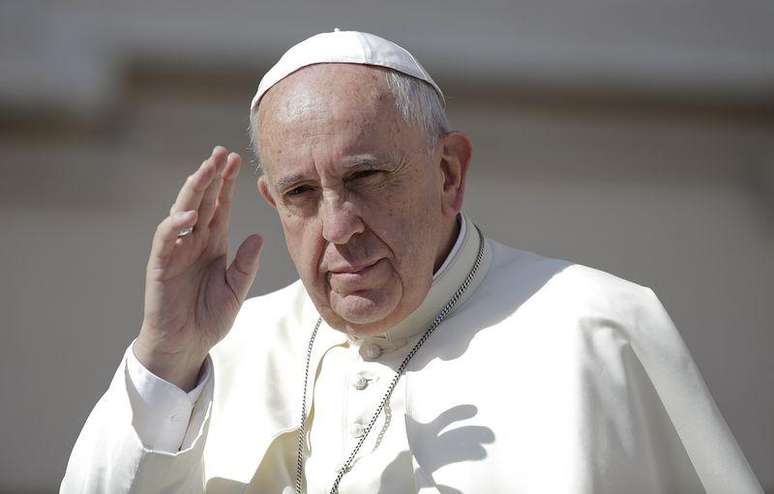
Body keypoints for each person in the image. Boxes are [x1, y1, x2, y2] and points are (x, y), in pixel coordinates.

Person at [61, 30, 762, 494]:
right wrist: (164, 358)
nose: (338, 227)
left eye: (366, 178)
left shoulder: (595, 328)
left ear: (449, 173)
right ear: (272, 202)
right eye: (303, 194)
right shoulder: (217, 357)